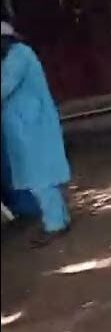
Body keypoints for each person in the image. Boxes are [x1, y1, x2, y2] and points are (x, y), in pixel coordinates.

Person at [2, 18, 72, 246]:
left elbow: (3, 87)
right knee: (43, 176)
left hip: (32, 125)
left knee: (39, 177)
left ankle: (54, 225)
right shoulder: (15, 55)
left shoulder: (18, 56)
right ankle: (60, 219)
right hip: (27, 125)